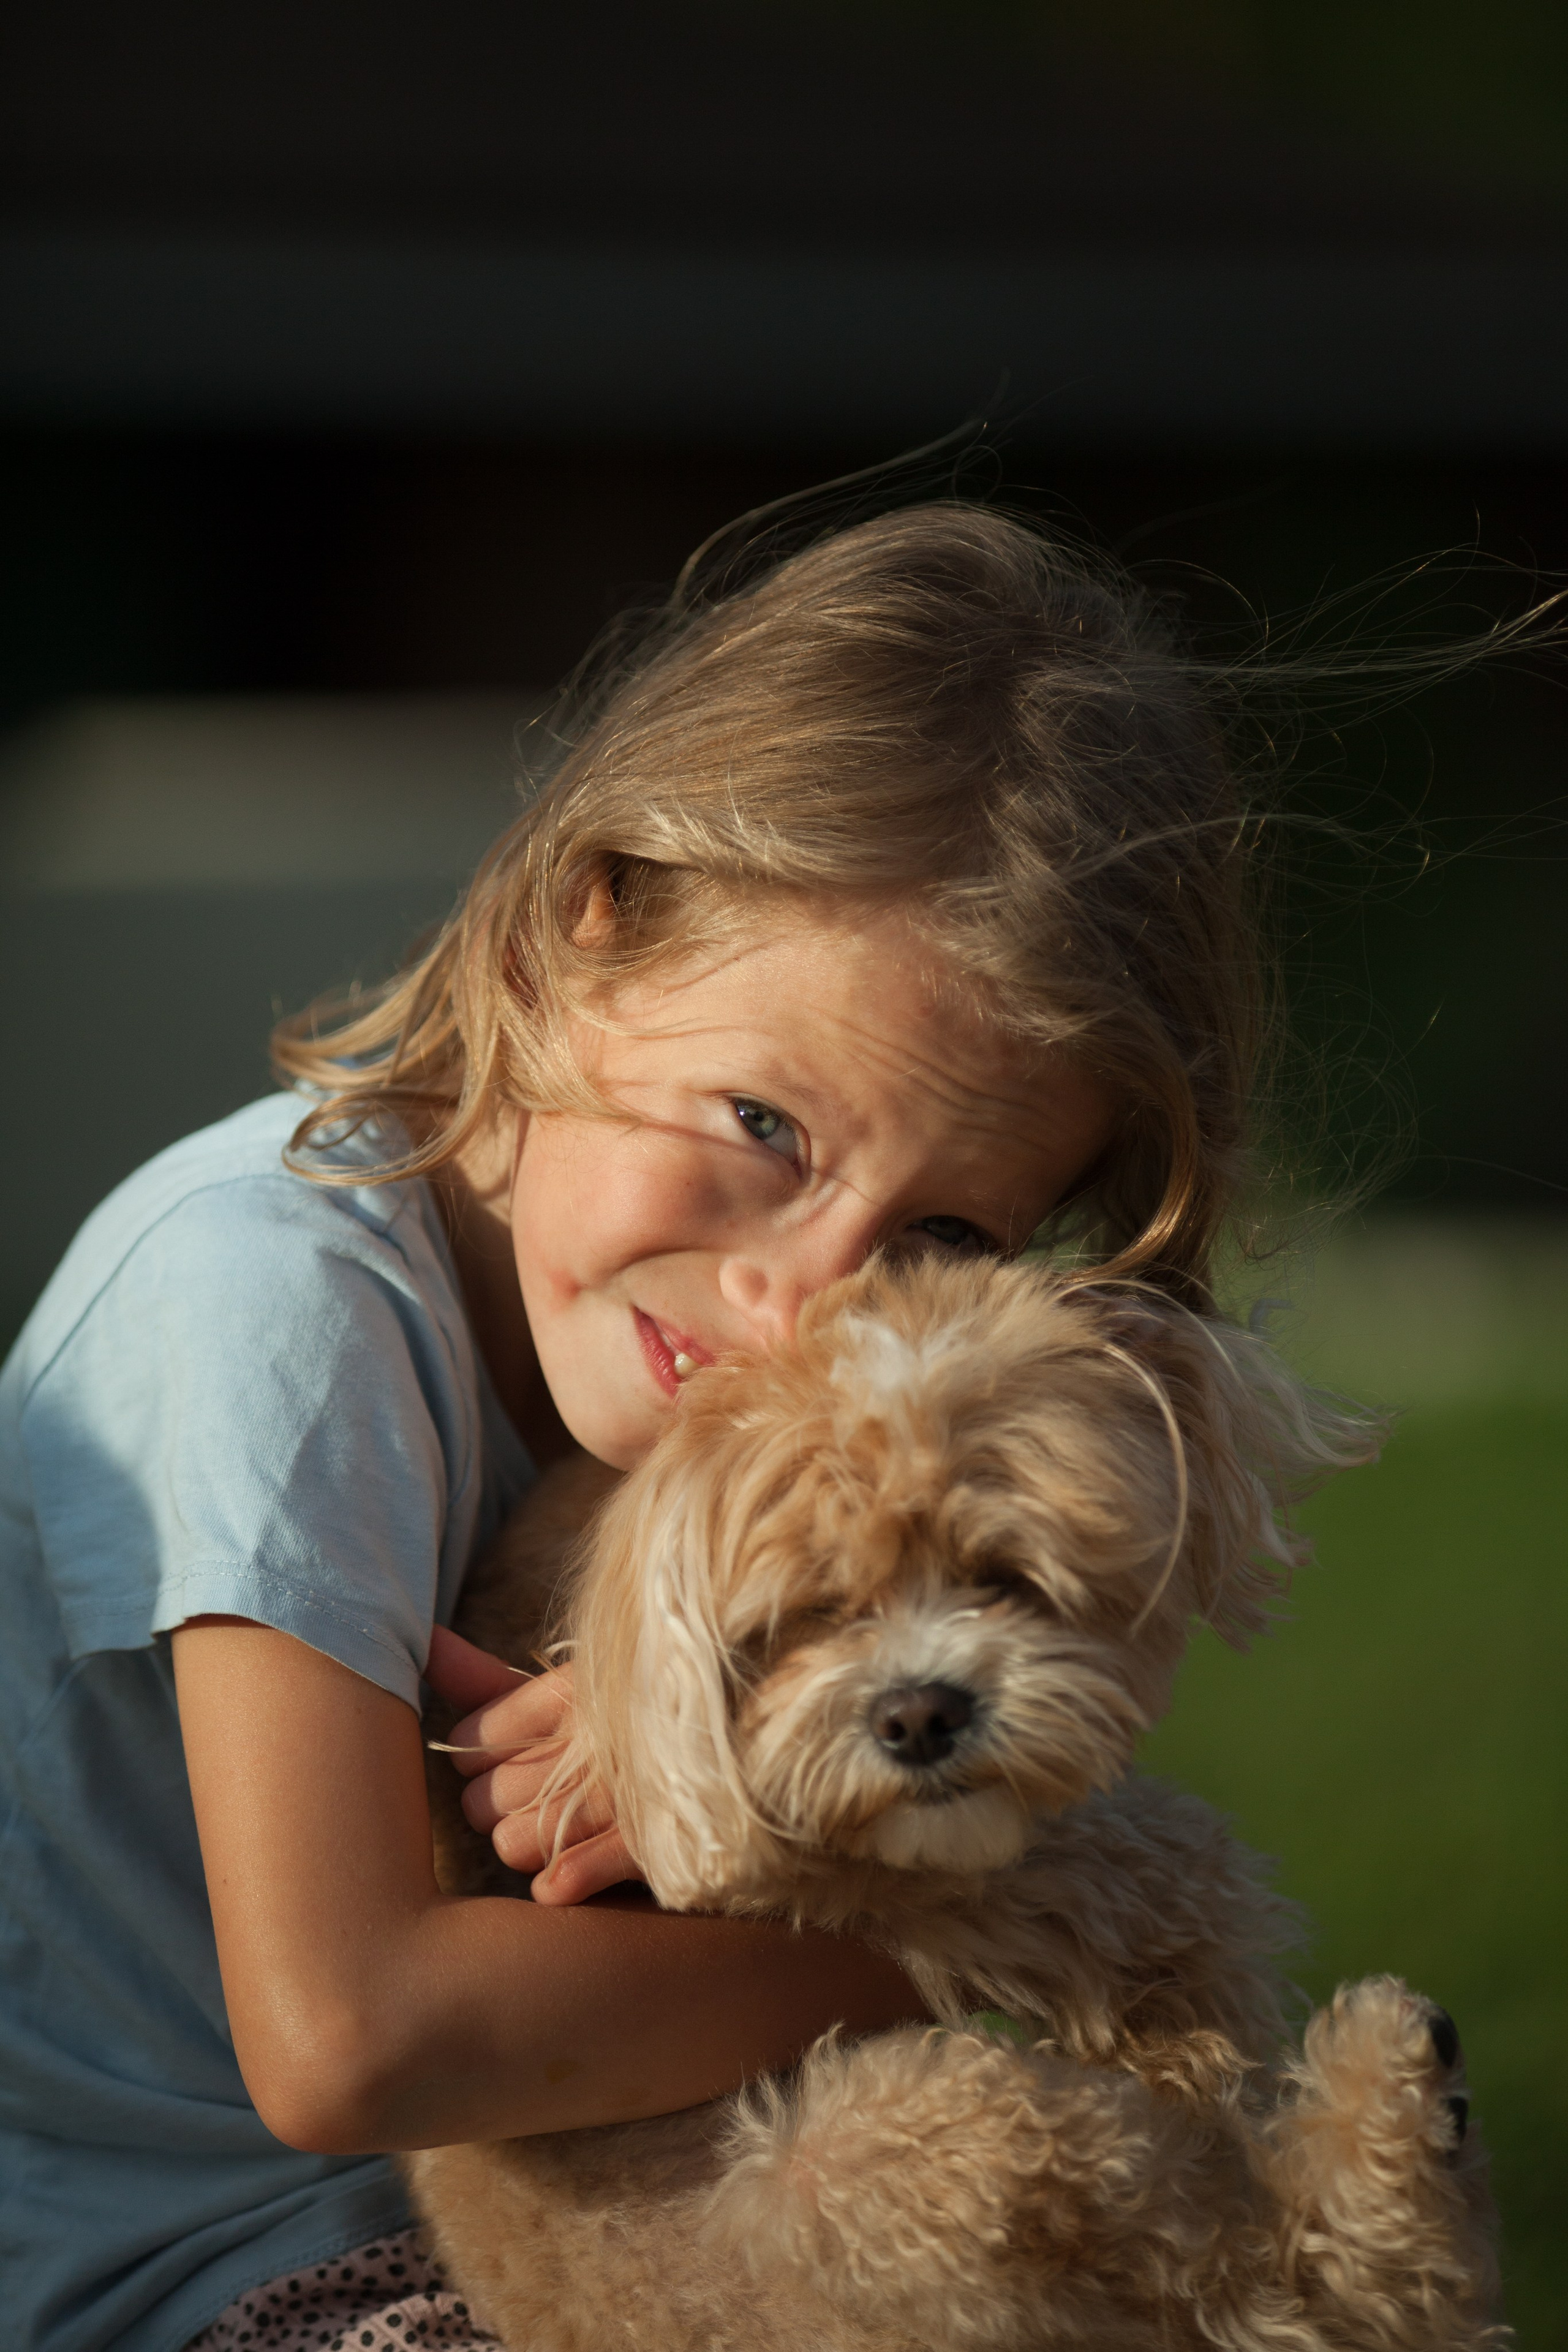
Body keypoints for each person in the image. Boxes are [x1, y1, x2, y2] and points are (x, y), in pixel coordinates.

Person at [0, 502, 1311, 2352]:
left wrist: (739, 1783)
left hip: (616, 2201)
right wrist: (929, 1945)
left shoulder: (700, 1363)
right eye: (764, 1129)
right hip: (223, 2282)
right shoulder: (267, 1312)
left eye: (937, 1236)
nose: (803, 1298)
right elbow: (348, 2039)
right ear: (571, 936)